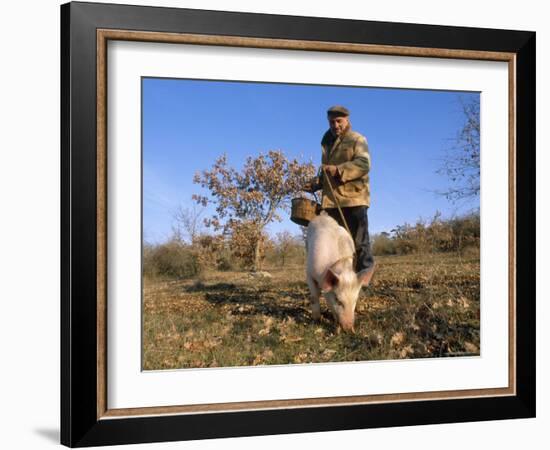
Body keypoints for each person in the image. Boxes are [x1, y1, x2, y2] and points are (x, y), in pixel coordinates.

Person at [304, 105, 375, 282]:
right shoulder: (327, 143)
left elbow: (363, 164)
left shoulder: (357, 139)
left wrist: (338, 170)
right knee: (334, 246)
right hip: (332, 202)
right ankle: (340, 282)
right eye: (331, 122)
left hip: (354, 199)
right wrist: (316, 184)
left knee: (359, 244)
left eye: (338, 121)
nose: (335, 125)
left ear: (347, 120)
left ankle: (363, 282)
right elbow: (326, 174)